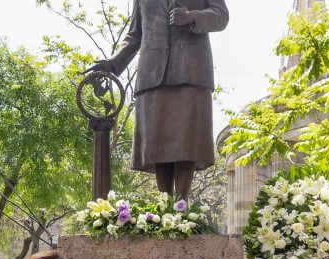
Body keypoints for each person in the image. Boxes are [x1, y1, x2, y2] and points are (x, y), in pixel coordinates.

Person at [88, 0, 229, 200]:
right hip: (152, 73)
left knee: (187, 140)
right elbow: (135, 34)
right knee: (158, 143)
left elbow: (221, 16)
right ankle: (164, 206)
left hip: (192, 70)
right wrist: (112, 63)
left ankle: (181, 206)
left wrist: (192, 16)